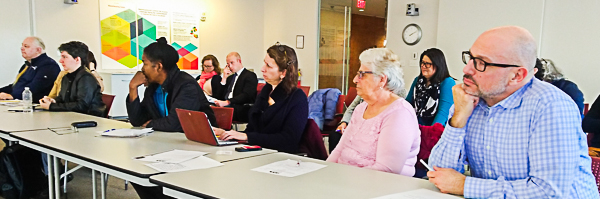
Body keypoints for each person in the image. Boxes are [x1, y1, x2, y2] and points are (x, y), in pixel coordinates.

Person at [427, 26, 597, 198]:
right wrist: (459, 119)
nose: (467, 69)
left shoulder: (551, 106)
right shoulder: (469, 99)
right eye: (470, 58)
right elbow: (439, 173)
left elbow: (548, 192)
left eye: (481, 63)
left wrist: (465, 185)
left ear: (517, 75)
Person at [326, 48, 420, 176]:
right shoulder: (361, 108)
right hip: (346, 181)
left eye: (362, 74)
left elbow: (386, 170)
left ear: (382, 79)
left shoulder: (400, 113)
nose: (355, 80)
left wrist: (342, 178)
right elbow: (339, 151)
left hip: (378, 188)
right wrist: (324, 173)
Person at [214, 43, 308, 154]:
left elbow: (288, 140)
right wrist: (226, 133)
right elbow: (252, 131)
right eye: (264, 63)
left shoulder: (297, 98)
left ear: (283, 73)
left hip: (280, 158)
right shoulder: (265, 91)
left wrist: (246, 137)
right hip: (258, 153)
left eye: (269, 66)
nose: (262, 69)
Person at [126, 39, 217, 132]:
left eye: (145, 63)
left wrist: (150, 124)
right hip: (171, 139)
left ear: (158, 66)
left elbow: (175, 123)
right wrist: (132, 88)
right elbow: (137, 121)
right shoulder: (154, 87)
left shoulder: (186, 86)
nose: (142, 69)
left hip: (199, 140)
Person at [39, 41, 105, 117]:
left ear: (77, 59)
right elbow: (62, 98)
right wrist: (53, 101)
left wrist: (51, 106)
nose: (60, 61)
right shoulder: (66, 77)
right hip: (71, 117)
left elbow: (82, 106)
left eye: (65, 57)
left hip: (88, 119)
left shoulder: (86, 78)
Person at [0, 37, 60, 101]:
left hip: (36, 105)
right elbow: (16, 85)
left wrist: (13, 96)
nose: (22, 48)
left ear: (38, 50)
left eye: (26, 46)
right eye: (22, 45)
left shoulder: (48, 65)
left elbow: (36, 87)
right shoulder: (26, 65)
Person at [212, 52, 258, 122]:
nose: (229, 66)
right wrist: (224, 78)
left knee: (215, 113)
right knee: (208, 108)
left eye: (232, 63)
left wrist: (228, 102)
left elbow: (247, 95)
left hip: (240, 107)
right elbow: (218, 96)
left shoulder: (249, 75)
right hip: (228, 105)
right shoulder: (230, 78)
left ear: (239, 61)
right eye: (228, 64)